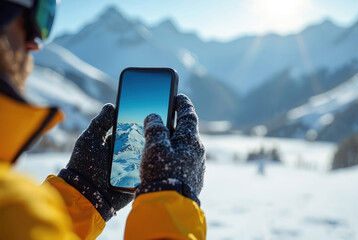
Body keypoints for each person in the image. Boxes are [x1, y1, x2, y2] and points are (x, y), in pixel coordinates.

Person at [0, 0, 206, 239]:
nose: (36, 44)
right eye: (40, 17)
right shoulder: (12, 205)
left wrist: (83, 192)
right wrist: (171, 203)